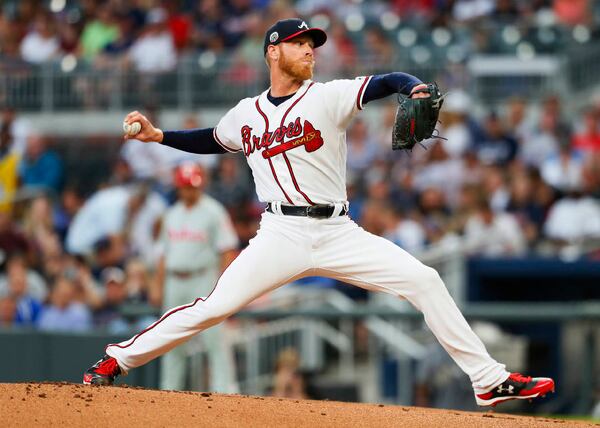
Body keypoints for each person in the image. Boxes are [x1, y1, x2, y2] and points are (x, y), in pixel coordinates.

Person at [84, 18, 554, 407]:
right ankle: (117, 359)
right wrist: (159, 136)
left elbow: (387, 81)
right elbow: (212, 138)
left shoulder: (328, 96)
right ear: (273, 52)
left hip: (338, 231)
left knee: (425, 280)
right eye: (299, 43)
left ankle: (488, 379)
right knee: (214, 308)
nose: (309, 50)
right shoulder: (246, 113)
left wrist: (413, 90)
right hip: (279, 233)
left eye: (312, 44)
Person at [152, 162, 238, 392]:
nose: (190, 190)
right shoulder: (170, 215)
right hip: (174, 280)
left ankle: (225, 389)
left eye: (194, 186)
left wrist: (223, 285)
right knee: (170, 338)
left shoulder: (214, 211)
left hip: (203, 279)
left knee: (214, 338)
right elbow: (162, 253)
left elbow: (227, 249)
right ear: (178, 187)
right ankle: (169, 389)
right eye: (186, 186)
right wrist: (157, 285)